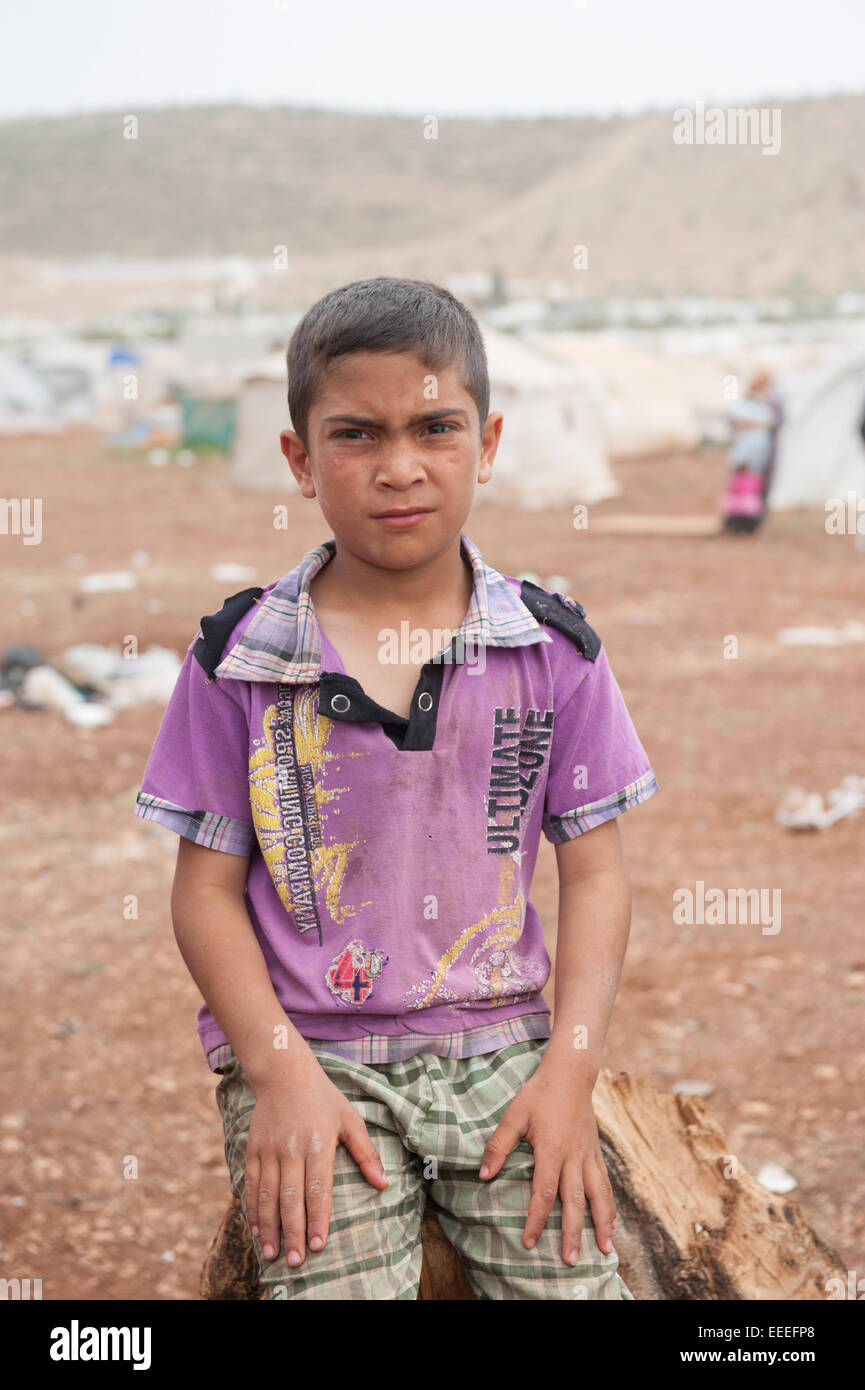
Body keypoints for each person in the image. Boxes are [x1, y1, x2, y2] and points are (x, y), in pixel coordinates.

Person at [134, 277, 659, 1300]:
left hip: (505, 1048)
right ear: (297, 456)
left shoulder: (552, 653)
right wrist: (278, 1072)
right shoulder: (238, 661)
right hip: (310, 1054)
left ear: (490, 440)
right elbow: (203, 892)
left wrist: (569, 1074)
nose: (399, 466)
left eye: (434, 427)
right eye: (357, 435)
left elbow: (594, 875)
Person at [720, 369, 781, 534]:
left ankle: (749, 522)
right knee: (741, 486)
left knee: (752, 487)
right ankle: (735, 522)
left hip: (758, 454)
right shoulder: (744, 405)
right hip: (744, 453)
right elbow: (736, 422)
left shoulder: (766, 406)